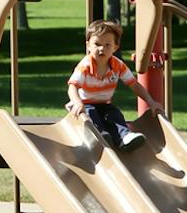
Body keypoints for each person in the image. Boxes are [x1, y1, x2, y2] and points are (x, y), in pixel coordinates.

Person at [67, 18, 164, 153]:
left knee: (114, 114)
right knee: (90, 113)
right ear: (88, 45)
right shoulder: (85, 66)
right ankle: (99, 134)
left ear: (115, 47)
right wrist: (77, 102)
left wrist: (151, 102)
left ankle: (124, 137)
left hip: (104, 103)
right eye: (97, 44)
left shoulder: (118, 66)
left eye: (107, 45)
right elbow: (73, 86)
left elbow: (134, 85)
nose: (102, 48)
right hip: (85, 103)